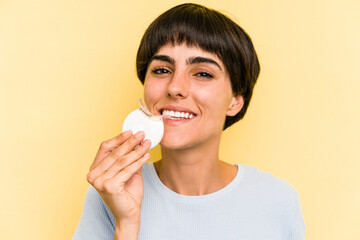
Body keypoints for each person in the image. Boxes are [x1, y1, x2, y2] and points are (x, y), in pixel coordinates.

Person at [73, 3, 305, 240]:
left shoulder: (278, 201)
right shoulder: (110, 193)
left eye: (203, 73)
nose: (175, 87)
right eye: (162, 70)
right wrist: (127, 225)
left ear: (235, 101)